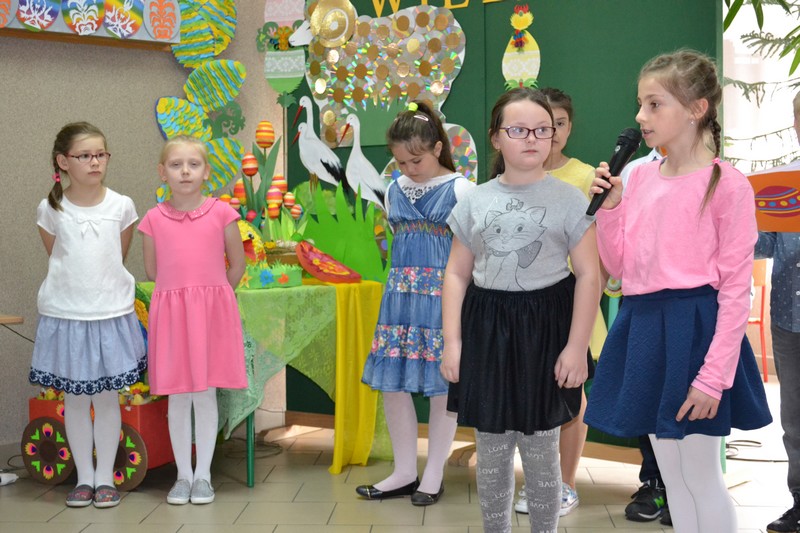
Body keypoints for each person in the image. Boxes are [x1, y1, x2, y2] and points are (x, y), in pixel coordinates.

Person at [584, 50, 773, 533]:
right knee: (671, 477)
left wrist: (713, 378)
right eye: (640, 104)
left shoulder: (727, 184)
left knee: (701, 476)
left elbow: (736, 291)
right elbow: (619, 270)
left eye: (654, 104)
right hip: (645, 327)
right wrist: (610, 210)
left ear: (696, 109)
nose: (640, 116)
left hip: (696, 333)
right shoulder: (638, 176)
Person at [441, 87, 600, 533]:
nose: (532, 138)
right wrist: (453, 343)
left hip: (546, 332)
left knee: (541, 453)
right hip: (487, 331)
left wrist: (576, 348)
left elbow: (590, 275)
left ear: (554, 135)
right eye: (518, 130)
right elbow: (456, 274)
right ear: (496, 137)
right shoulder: (474, 200)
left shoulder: (571, 199)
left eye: (542, 130)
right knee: (491, 451)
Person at [356, 101, 474, 506]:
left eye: (416, 160)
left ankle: (433, 475)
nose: (408, 168)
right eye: (401, 162)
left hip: (443, 301)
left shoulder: (461, 189)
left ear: (438, 148)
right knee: (394, 383)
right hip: (400, 300)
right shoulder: (394, 189)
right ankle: (405, 472)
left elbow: (471, 251)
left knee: (442, 386)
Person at [29, 122, 146, 509]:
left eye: (100, 154)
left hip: (110, 315)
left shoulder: (122, 206)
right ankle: (84, 479)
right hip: (67, 317)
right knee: (76, 400)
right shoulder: (51, 209)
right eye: (84, 156)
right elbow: (57, 258)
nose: (95, 162)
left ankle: (104, 478)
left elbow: (118, 255)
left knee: (107, 398)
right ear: (63, 162)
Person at [138, 136, 247, 506]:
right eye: (176, 165)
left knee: (204, 393)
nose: (185, 171)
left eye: (193, 164)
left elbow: (237, 264)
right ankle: (183, 475)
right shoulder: (153, 219)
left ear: (207, 172)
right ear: (162, 172)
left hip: (210, 316)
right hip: (172, 316)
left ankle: (204, 476)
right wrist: (182, 298)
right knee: (179, 395)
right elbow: (153, 271)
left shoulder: (222, 213)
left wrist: (215, 298)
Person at [513, 87, 606, 517]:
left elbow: (599, 252)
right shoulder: (514, 177)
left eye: (558, 124)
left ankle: (564, 484)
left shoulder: (586, 178)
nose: (547, 133)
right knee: (530, 394)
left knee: (570, 394)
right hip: (523, 306)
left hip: (570, 303)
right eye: (538, 125)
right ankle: (538, 479)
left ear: (568, 128)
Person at [618, 146, 672, 526]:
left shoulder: (714, 172)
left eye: (653, 113)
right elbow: (619, 243)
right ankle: (653, 482)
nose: (642, 119)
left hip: (689, 305)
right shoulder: (634, 171)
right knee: (645, 393)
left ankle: (684, 490)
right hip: (641, 301)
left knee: (683, 397)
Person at [756, 89, 800, 533]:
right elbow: (761, 245)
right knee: (796, 420)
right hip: (791, 317)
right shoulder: (784, 182)